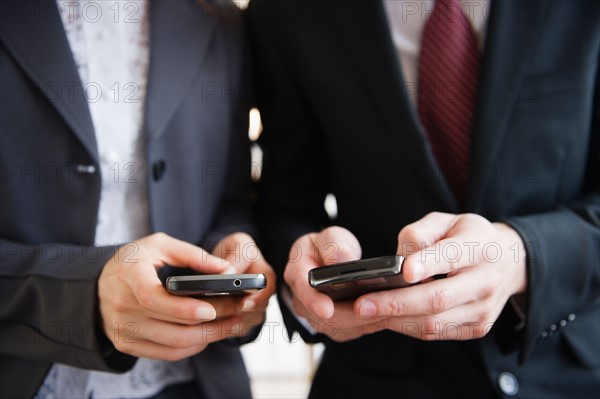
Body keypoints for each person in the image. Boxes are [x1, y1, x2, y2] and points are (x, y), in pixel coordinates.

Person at [248, 0, 599, 398]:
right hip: (376, 375)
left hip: (567, 370)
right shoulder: (286, 12)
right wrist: (305, 269)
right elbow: (285, 205)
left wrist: (523, 256)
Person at [0, 0, 275, 398]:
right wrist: (84, 296)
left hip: (196, 381)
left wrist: (232, 250)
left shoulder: (220, 18)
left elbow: (229, 200)